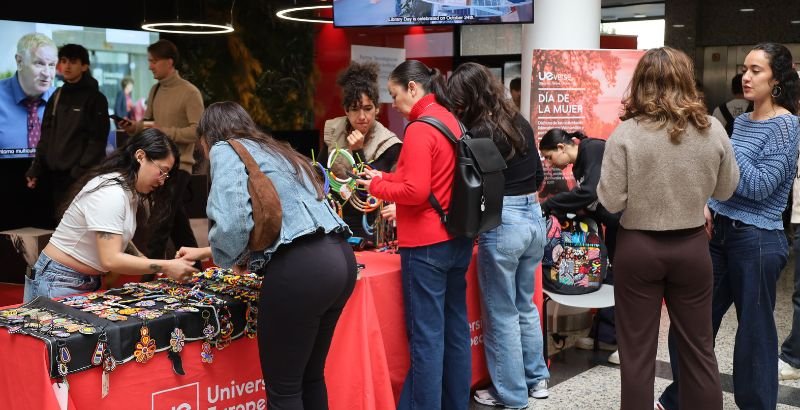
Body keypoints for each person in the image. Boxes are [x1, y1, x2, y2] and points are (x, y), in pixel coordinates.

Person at [177, 101, 355, 409]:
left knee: (284, 391)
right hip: (340, 258)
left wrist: (226, 260)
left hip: (301, 269)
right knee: (310, 378)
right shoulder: (273, 148)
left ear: (206, 137)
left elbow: (232, 226)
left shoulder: (225, 149)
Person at [658, 42, 800, 410]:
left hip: (756, 240)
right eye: (745, 69)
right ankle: (679, 397)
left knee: (754, 337)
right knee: (691, 325)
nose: (746, 77)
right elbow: (721, 177)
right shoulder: (741, 123)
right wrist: (709, 202)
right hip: (718, 234)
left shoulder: (786, 126)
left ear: (778, 79)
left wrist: (721, 145)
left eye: (756, 70)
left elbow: (758, 186)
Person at [597, 46, 740, 410]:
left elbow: (610, 201)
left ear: (641, 83)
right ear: (686, 80)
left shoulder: (625, 134)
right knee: (698, 350)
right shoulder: (714, 130)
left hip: (638, 248)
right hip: (692, 246)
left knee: (637, 354)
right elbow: (726, 190)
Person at [356, 60, 474, 410]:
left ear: (412, 87)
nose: (393, 104)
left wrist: (378, 186)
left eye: (394, 95)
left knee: (426, 338)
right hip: (456, 238)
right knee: (455, 331)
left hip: (425, 246)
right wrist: (379, 179)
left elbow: (417, 191)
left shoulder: (420, 129)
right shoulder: (450, 120)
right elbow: (426, 179)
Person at [447, 62, 548, 408]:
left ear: (470, 97)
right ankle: (537, 381)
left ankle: (511, 394)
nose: (456, 107)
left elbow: (471, 189)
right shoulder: (518, 120)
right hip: (534, 218)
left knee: (501, 312)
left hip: (503, 223)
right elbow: (537, 177)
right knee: (526, 306)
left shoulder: (477, 133)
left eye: (458, 99)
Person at [22, 128, 199, 302]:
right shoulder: (111, 192)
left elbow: (116, 234)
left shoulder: (128, 190)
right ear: (140, 157)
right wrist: (166, 266)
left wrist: (146, 261)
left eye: (166, 175)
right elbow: (111, 259)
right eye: (162, 171)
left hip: (79, 280)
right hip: (58, 281)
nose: (162, 180)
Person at [538, 128, 621, 363]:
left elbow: (590, 191)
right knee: (610, 279)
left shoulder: (592, 149)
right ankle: (606, 335)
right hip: (613, 224)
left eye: (550, 156)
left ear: (561, 148)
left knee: (624, 283)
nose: (550, 163)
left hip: (627, 223)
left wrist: (550, 204)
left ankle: (628, 345)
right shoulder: (580, 163)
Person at [119, 39, 204, 263]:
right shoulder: (155, 90)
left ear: (169, 62)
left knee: (160, 223)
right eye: (149, 61)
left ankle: (149, 278)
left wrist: (165, 130)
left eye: (154, 61)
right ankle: (198, 269)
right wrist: (133, 127)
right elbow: (149, 125)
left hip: (179, 167)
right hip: (155, 166)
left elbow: (197, 132)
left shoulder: (190, 92)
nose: (150, 66)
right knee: (176, 224)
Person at [25, 44, 111, 229]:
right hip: (56, 177)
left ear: (84, 66)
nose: (67, 66)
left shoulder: (96, 99)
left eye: (73, 61)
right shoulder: (57, 95)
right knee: (61, 228)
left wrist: (78, 172)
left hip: (81, 177)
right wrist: (36, 168)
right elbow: (45, 136)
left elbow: (97, 140)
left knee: (80, 228)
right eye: (63, 61)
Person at [322, 61, 401, 239]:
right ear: (346, 111)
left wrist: (358, 152)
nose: (362, 117)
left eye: (368, 109)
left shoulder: (388, 143)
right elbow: (320, 172)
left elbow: (371, 191)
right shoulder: (333, 131)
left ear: (377, 109)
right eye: (355, 110)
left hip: (371, 226)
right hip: (335, 219)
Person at [0, 33, 57, 159]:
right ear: (19, 62)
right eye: (39, 63)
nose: (47, 74)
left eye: (52, 65)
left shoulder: (63, 100)